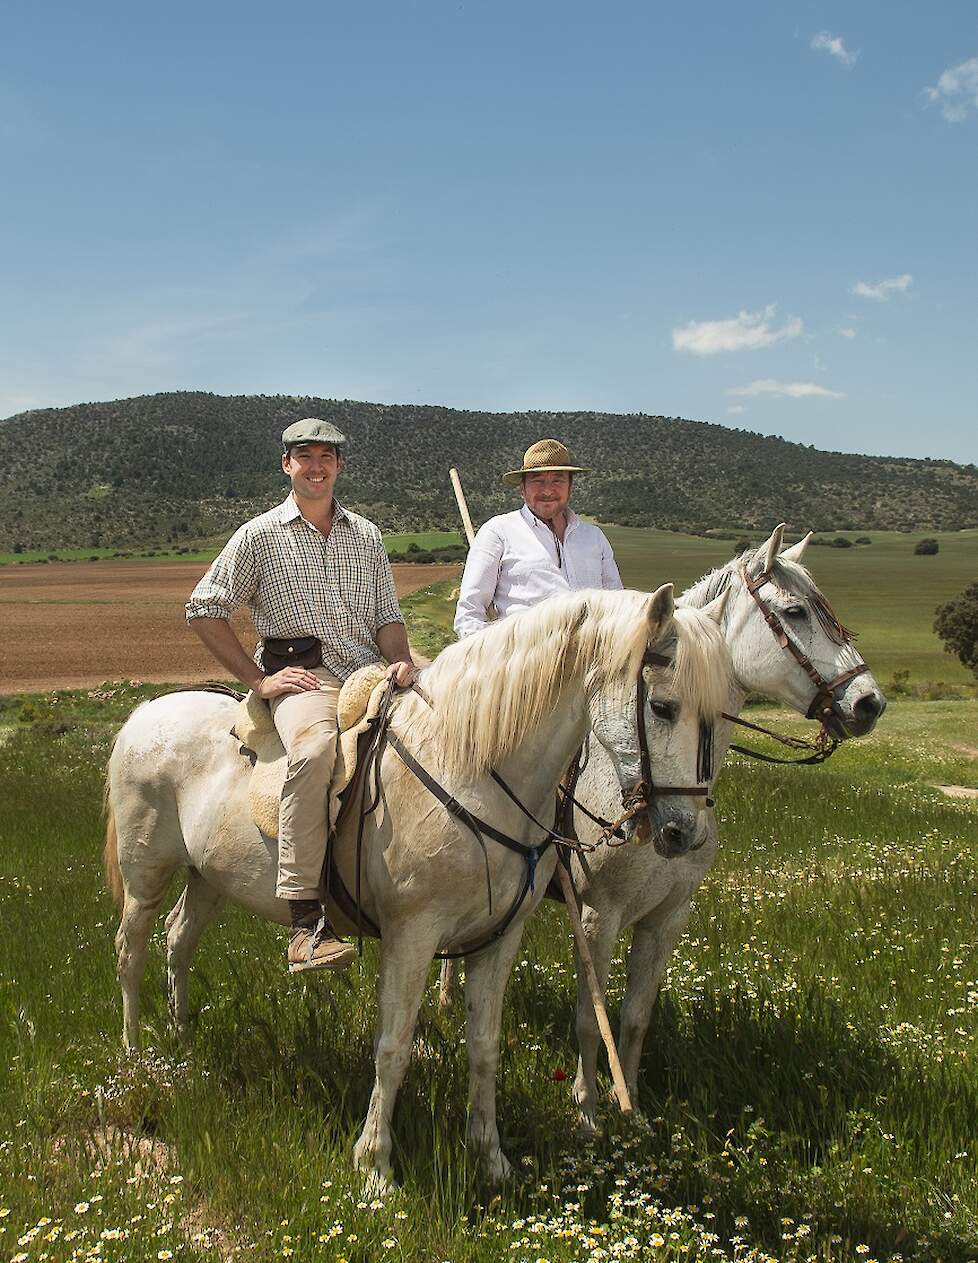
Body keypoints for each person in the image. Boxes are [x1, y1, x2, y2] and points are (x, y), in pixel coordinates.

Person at [186, 418, 415, 974]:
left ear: (339, 466)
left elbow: (386, 617)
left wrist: (403, 660)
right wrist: (260, 682)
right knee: (313, 755)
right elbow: (203, 609)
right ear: (286, 464)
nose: (316, 466)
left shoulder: (366, 535)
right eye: (304, 456)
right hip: (307, 681)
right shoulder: (259, 535)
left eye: (327, 457)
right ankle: (305, 918)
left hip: (367, 672)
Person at [453, 438, 623, 638]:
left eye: (557, 480)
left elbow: (616, 609)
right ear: (522, 489)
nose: (548, 490)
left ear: (571, 487)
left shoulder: (594, 538)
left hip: (590, 663)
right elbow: (469, 615)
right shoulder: (498, 532)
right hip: (524, 663)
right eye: (537, 481)